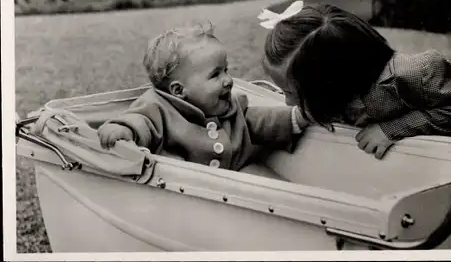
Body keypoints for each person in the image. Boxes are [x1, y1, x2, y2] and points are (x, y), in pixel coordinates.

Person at [259, 1, 451, 159]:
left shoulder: (412, 73)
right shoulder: (328, 97)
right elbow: (296, 115)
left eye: (290, 93)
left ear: (331, 86)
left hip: (439, 169)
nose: (288, 101)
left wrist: (394, 129)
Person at [97, 23, 310, 171]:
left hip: (237, 173)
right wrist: (124, 130)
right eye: (216, 75)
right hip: (187, 189)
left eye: (226, 70)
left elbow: (256, 120)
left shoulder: (230, 104)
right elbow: (140, 121)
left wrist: (297, 117)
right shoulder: (157, 107)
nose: (228, 80)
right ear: (179, 91)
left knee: (266, 180)